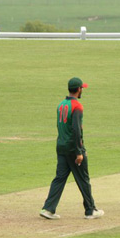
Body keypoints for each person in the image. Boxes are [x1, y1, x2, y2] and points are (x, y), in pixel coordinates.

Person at [40, 77, 104, 220]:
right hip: (72, 148)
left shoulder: (61, 104)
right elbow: (76, 130)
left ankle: (48, 208)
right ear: (79, 89)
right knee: (83, 179)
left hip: (61, 146)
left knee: (60, 178)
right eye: (82, 88)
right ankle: (90, 210)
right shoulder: (77, 106)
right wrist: (79, 152)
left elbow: (60, 126)